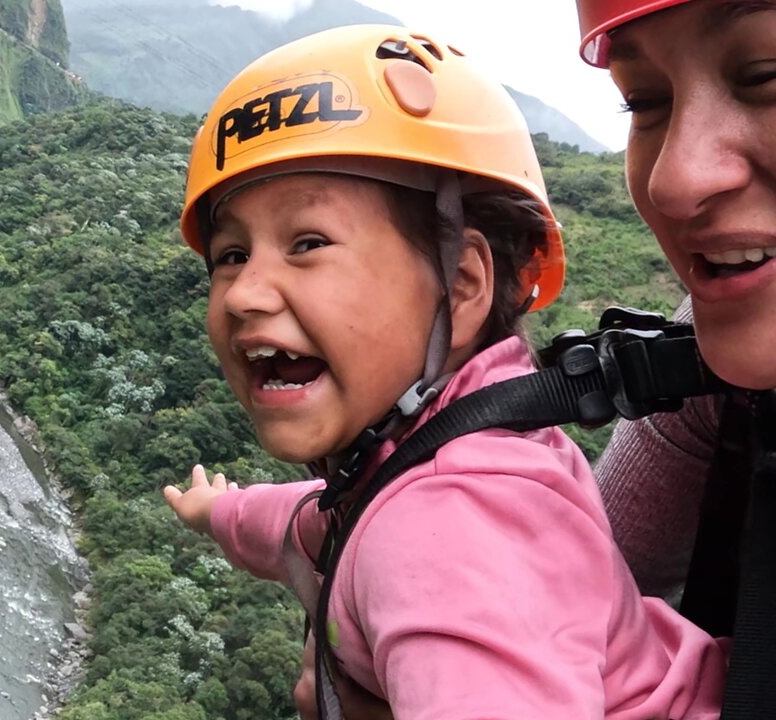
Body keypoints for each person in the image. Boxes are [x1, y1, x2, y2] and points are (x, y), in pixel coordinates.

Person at [163, 23, 727, 719]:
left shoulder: (450, 531)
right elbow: (306, 521)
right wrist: (220, 511)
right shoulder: (428, 456)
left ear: (461, 286)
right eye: (231, 255)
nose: (245, 291)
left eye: (307, 243)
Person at [292, 1, 776, 717]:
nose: (673, 180)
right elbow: (556, 604)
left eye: (765, 75)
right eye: (644, 101)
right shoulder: (717, 381)